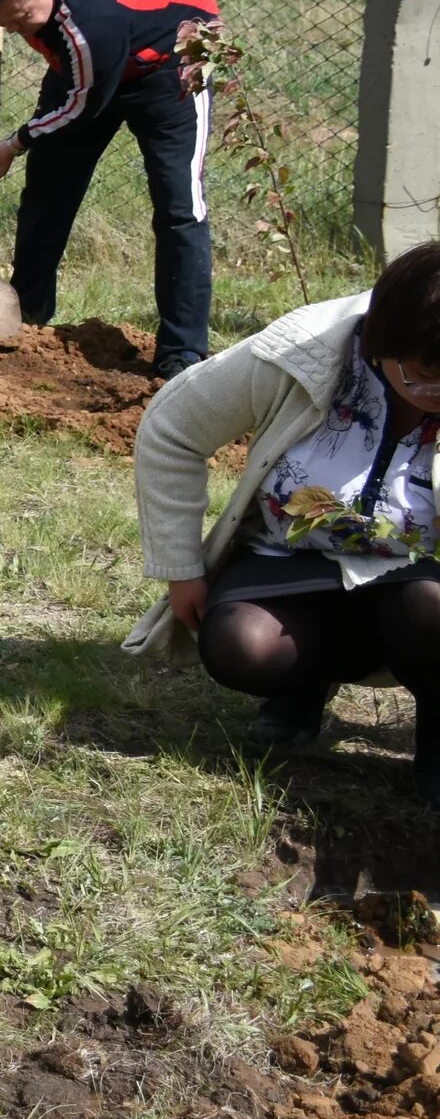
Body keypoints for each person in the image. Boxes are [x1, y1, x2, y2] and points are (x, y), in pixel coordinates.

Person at [131, 243, 440, 798]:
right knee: (241, 647)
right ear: (380, 342)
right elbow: (172, 428)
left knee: (432, 613)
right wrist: (181, 566)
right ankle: (301, 684)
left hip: (419, 576)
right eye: (423, 377)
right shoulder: (304, 350)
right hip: (287, 559)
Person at [0, 0, 220, 379]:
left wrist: (14, 144)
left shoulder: (89, 26)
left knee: (178, 207)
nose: (18, 32)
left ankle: (182, 354)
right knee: (47, 195)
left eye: (23, 20)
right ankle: (29, 319)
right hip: (87, 71)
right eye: (7, 26)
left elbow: (82, 106)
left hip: (170, 62)